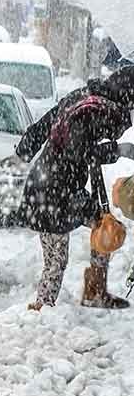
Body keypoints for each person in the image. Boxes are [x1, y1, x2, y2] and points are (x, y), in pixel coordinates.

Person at [21, 94, 134, 310]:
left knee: (105, 228)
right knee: (56, 260)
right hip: (50, 199)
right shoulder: (78, 127)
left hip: (65, 194)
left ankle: (95, 290)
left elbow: (92, 161)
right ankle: (42, 308)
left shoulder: (82, 122)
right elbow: (86, 155)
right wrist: (119, 149)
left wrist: (102, 209)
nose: (110, 134)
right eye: (110, 129)